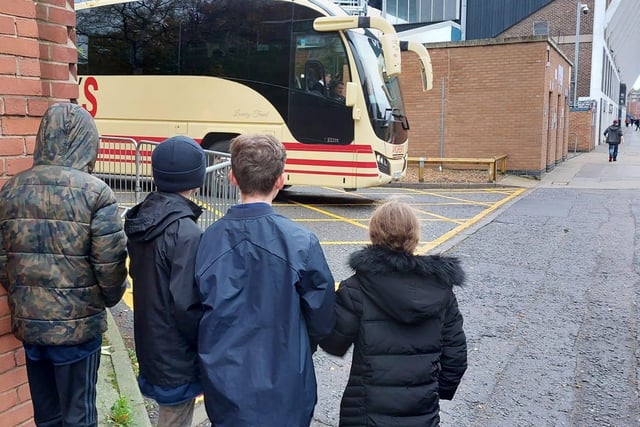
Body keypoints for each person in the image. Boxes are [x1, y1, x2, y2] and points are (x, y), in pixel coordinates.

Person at [0, 102, 128, 427]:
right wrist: (106, 299)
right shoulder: (96, 193)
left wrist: (27, 299)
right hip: (77, 330)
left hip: (31, 326)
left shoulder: (11, 189)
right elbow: (110, 267)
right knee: (80, 416)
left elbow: (4, 262)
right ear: (88, 141)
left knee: (47, 416)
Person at [195, 134, 336, 427]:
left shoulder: (208, 240)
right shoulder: (301, 242)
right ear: (280, 180)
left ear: (232, 177)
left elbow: (192, 310)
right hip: (286, 380)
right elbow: (322, 316)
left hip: (226, 381)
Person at [320, 200, 468, 427]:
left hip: (365, 412)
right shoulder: (441, 291)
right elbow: (456, 357)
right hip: (421, 412)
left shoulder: (356, 288)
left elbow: (334, 343)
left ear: (373, 235)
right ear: (414, 237)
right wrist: (434, 393)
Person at [124, 136, 206, 427]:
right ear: (196, 178)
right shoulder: (185, 232)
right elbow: (187, 304)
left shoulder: (144, 217)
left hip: (152, 342)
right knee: (174, 418)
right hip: (176, 353)